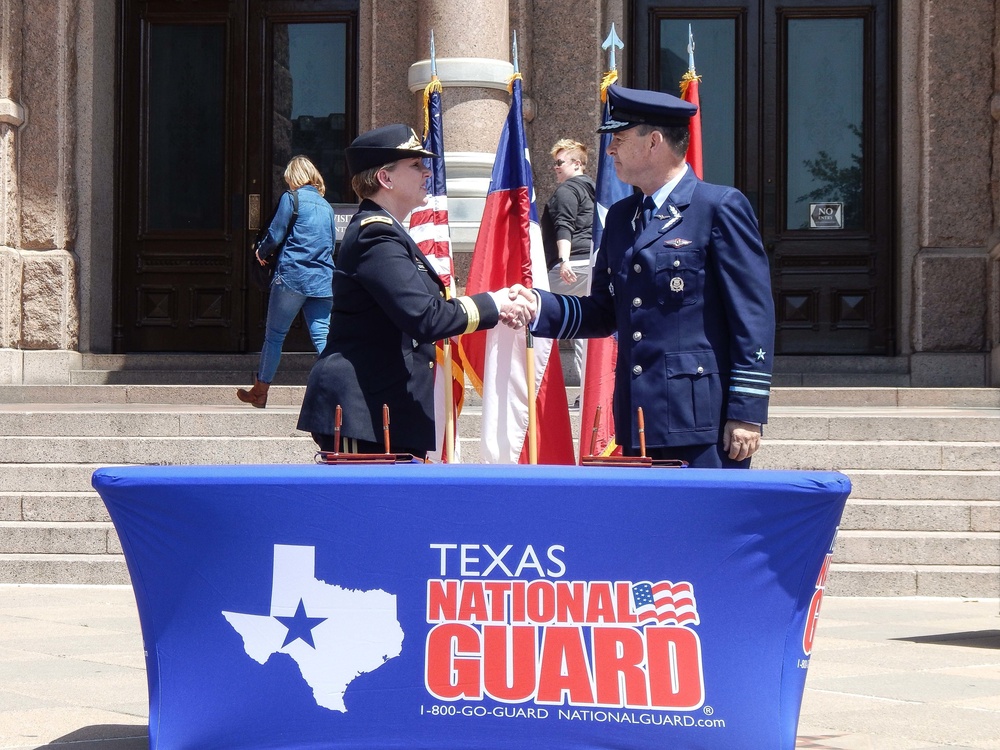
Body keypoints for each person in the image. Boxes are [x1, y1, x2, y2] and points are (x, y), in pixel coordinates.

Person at [509, 86, 775, 468]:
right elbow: (604, 310)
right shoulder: (620, 217)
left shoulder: (717, 207)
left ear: (654, 142)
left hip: (701, 419)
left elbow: (753, 316)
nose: (610, 150)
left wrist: (747, 410)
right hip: (638, 417)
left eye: (618, 139)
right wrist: (539, 306)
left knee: (701, 526)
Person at [296, 124, 528, 460]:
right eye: (415, 165)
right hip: (362, 410)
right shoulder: (375, 237)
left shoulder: (389, 234)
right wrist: (495, 303)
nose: (427, 173)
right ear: (385, 179)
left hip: (386, 408)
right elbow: (424, 317)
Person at [237, 155, 336, 409]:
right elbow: (330, 242)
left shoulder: (291, 199)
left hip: (292, 277)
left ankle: (260, 392)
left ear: (295, 177)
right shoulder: (326, 207)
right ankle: (339, 391)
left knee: (274, 336)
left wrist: (260, 252)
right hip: (323, 280)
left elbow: (276, 233)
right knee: (323, 336)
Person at [540, 139, 596, 390]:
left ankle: (536, 385)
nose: (555, 167)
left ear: (576, 163)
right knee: (587, 332)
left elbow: (565, 227)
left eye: (559, 162)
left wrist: (563, 261)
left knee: (528, 306)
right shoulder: (596, 189)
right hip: (593, 266)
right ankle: (589, 393)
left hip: (572, 266)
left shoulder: (567, 190)